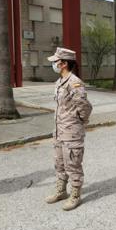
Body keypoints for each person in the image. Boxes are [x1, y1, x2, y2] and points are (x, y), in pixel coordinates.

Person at [44, 47, 93, 211]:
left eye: (56, 62)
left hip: (72, 131)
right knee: (59, 163)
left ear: (64, 64)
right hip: (59, 131)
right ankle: (61, 191)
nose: (54, 64)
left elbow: (84, 106)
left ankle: (75, 195)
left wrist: (80, 121)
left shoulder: (75, 83)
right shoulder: (59, 82)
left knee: (73, 164)